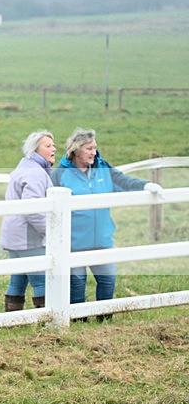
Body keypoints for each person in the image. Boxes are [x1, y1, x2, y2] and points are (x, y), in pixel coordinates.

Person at [51, 128, 164, 320]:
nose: (94, 152)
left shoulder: (103, 167)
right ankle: (78, 322)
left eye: (95, 147)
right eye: (89, 148)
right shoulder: (60, 174)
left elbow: (124, 181)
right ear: (76, 150)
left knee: (108, 281)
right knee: (76, 286)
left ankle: (104, 321)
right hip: (74, 244)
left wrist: (146, 185)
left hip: (103, 240)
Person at [0, 131, 57, 311]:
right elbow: (33, 211)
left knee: (18, 280)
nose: (54, 149)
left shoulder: (26, 166)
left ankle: (12, 321)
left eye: (53, 145)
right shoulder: (35, 173)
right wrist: (50, 230)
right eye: (48, 146)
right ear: (35, 150)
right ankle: (47, 323)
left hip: (15, 236)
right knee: (41, 282)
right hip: (28, 238)